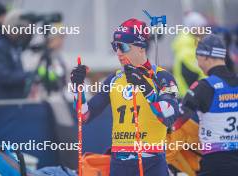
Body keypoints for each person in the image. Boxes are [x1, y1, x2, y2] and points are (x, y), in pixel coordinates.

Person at [70, 18, 180, 176]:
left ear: (141, 48)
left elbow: (169, 115)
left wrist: (146, 88)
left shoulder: (162, 77)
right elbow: (84, 115)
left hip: (151, 162)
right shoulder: (113, 79)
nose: (118, 52)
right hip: (120, 164)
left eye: (123, 46)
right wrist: (77, 88)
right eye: (115, 46)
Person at [179, 34, 238, 176]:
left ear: (204, 57)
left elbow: (176, 120)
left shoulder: (204, 86)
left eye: (197, 58)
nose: (198, 63)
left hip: (215, 161)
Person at [0, 10, 32, 99]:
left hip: (14, 103)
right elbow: (4, 76)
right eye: (22, 31)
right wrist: (29, 75)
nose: (22, 36)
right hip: (0, 105)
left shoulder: (11, 46)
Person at [172, 12, 207, 98]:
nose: (204, 30)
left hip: (190, 95)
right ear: (193, 28)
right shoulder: (187, 49)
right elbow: (198, 74)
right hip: (189, 98)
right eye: (201, 27)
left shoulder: (192, 45)